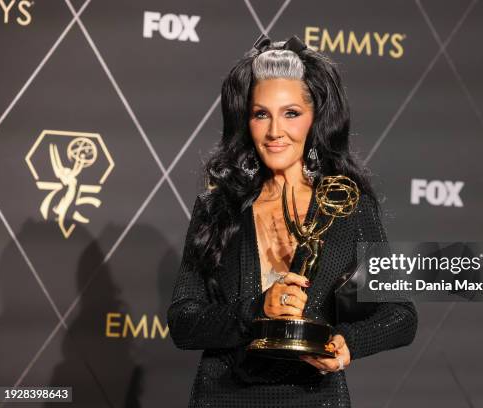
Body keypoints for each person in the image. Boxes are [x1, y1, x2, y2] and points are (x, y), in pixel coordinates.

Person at [167, 34, 418, 408]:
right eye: (260, 114)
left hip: (315, 397)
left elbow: (400, 314)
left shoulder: (348, 206)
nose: (274, 132)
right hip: (223, 397)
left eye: (291, 113)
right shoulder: (218, 206)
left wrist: (347, 343)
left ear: (315, 118)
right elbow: (183, 322)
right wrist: (256, 311)